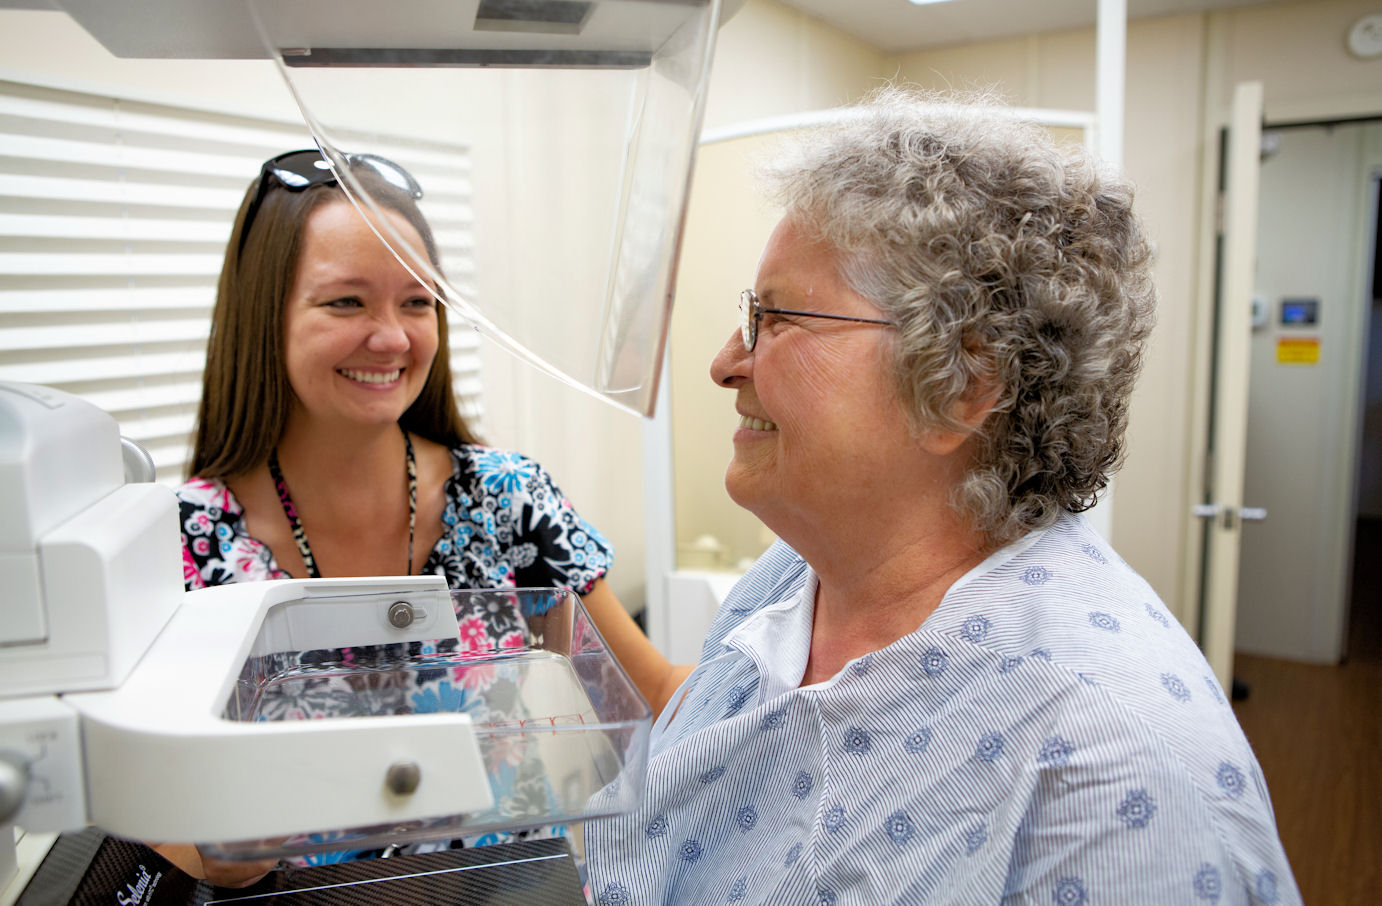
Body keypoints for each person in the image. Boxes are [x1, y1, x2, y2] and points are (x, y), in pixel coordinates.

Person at [583, 88, 1300, 905]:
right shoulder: (799, 576)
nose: (724, 362)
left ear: (965, 386)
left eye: (777, 317)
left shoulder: (1111, 771)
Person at [166, 149, 685, 886]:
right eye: (346, 302)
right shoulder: (185, 544)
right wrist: (223, 852)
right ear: (264, 315)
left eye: (417, 301)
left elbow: (656, 695)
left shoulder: (508, 498)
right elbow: (162, 839)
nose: (392, 338)